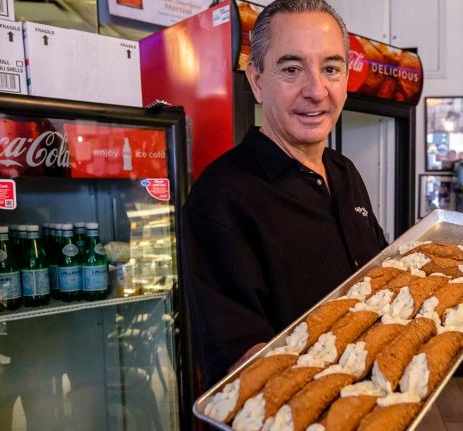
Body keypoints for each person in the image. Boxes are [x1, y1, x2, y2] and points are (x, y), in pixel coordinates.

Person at [181, 0, 388, 388]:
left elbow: (378, 279)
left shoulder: (345, 172)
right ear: (257, 80)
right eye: (292, 69)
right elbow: (239, 359)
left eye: (330, 68)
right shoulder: (219, 197)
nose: (316, 90)